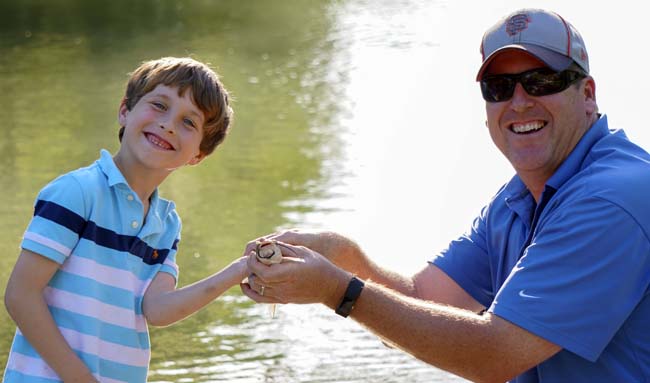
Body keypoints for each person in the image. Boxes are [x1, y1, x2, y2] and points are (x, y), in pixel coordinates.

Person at [241, 8, 650, 383]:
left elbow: (494, 354)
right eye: (499, 87)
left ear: (589, 94)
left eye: (541, 81)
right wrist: (344, 256)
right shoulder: (517, 200)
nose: (520, 102)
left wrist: (337, 290)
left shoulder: (610, 198)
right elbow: (420, 302)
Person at [3, 57, 247, 383]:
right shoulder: (78, 192)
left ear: (198, 155)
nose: (169, 124)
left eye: (189, 123)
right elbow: (21, 295)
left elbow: (156, 310)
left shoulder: (166, 224)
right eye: (159, 105)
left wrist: (239, 270)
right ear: (125, 111)